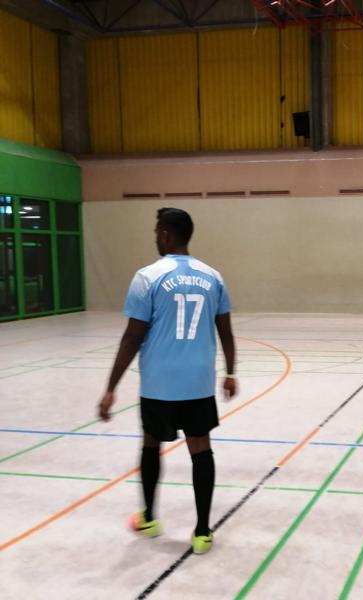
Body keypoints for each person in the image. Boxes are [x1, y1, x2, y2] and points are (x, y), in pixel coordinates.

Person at [98, 208, 237, 554]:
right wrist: (230, 372)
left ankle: (149, 518)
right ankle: (202, 531)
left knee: (150, 443)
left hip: (159, 384)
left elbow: (132, 337)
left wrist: (111, 387)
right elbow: (226, 332)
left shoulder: (147, 277)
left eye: (156, 231)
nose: (155, 238)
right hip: (198, 383)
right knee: (200, 449)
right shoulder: (213, 277)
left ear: (165, 234)